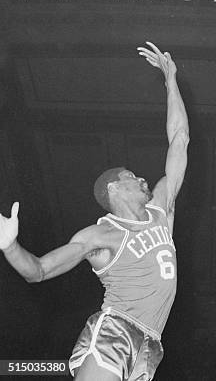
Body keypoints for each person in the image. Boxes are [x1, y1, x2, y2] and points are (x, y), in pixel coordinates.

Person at [0, 42, 189, 381]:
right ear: (113, 189)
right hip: (117, 331)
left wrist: (171, 80)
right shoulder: (99, 235)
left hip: (152, 344)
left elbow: (179, 139)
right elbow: (39, 271)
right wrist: (9, 246)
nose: (143, 178)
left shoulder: (162, 209)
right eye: (132, 177)